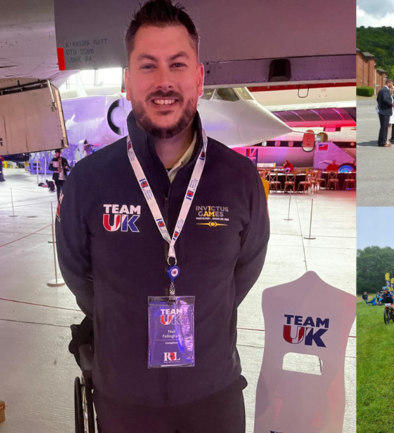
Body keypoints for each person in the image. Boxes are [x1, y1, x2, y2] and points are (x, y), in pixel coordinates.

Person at [56, 1, 270, 431]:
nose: (164, 82)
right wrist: (123, 317)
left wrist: (206, 307)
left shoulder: (240, 178)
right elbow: (78, 273)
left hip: (213, 396)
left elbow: (243, 270)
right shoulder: (89, 181)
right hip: (124, 400)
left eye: (177, 64)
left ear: (198, 76)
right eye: (148, 66)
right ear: (128, 81)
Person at [377, 78, 394, 147]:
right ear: (388, 83)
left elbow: (378, 99)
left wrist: (380, 105)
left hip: (382, 110)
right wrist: (391, 104)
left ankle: (381, 141)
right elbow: (386, 99)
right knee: (384, 127)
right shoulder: (385, 90)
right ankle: (383, 142)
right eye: (392, 83)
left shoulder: (382, 90)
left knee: (383, 127)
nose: (392, 85)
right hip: (385, 111)